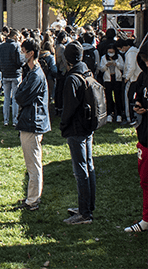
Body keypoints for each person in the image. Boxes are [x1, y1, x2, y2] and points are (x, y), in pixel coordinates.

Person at [60, 41, 96, 224]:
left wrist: (63, 125)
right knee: (88, 167)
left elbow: (69, 108)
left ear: (67, 59)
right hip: (88, 125)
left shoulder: (72, 78)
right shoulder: (87, 71)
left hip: (76, 128)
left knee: (80, 170)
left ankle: (84, 214)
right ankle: (88, 206)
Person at [14, 38, 51, 211]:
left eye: (23, 51)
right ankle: (31, 197)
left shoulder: (36, 74)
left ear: (31, 53)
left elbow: (21, 96)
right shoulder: (30, 72)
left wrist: (20, 91)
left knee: (33, 163)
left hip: (33, 122)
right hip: (30, 120)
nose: (22, 54)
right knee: (31, 162)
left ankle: (33, 200)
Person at [124, 41, 148, 233]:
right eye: (144, 60)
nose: (146, 64)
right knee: (145, 181)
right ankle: (146, 219)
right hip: (144, 137)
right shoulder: (143, 77)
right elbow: (138, 95)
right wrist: (138, 104)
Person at [0, 29, 25, 126]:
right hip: (15, 74)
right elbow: (19, 61)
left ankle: (6, 120)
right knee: (15, 98)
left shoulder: (0, 46)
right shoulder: (16, 46)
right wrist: (21, 65)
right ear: (15, 36)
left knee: (6, 98)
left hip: (5, 74)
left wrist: (2, 69)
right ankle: (15, 120)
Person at [98, 44, 124, 124]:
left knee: (118, 97)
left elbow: (122, 67)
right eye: (109, 49)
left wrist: (116, 64)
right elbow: (101, 69)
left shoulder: (119, 57)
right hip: (107, 79)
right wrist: (106, 65)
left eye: (112, 50)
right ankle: (109, 114)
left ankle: (119, 114)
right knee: (108, 97)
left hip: (117, 79)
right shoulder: (103, 58)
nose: (111, 51)